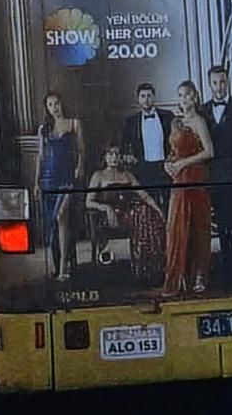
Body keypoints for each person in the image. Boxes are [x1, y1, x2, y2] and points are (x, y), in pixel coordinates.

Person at [85, 144, 167, 286]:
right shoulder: (98, 176)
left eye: (117, 154)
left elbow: (144, 195)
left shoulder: (127, 175)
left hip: (130, 213)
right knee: (142, 216)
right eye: (110, 154)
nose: (114, 158)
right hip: (110, 217)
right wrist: (106, 208)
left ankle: (152, 269)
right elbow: (88, 202)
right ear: (105, 157)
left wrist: (159, 211)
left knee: (148, 215)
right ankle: (143, 270)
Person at [163, 81, 216, 296]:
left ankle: (199, 276)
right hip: (178, 180)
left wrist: (183, 164)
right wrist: (168, 164)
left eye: (188, 95)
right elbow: (174, 152)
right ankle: (180, 276)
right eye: (181, 95)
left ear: (195, 97)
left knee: (197, 227)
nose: (184, 99)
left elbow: (209, 152)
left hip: (194, 178)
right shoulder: (176, 122)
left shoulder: (199, 121)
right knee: (177, 227)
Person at [34, 91, 84, 282]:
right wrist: (36, 182)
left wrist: (79, 168)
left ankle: (65, 267)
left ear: (62, 103)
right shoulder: (43, 129)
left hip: (66, 177)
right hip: (48, 178)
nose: (54, 107)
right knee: (53, 223)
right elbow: (40, 157)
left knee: (62, 216)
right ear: (47, 108)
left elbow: (81, 150)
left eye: (56, 103)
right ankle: (57, 265)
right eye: (50, 105)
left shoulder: (74, 123)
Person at [201, 64, 232, 272]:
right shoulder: (203, 110)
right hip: (213, 175)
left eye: (222, 82)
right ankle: (226, 264)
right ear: (210, 84)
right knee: (221, 221)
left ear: (228, 83)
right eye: (215, 83)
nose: (219, 87)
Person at [120, 83, 173, 211]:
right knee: (149, 205)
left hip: (165, 167)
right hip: (144, 169)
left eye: (149, 95)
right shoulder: (131, 121)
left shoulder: (168, 116)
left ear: (154, 97)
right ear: (138, 99)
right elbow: (124, 145)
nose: (146, 99)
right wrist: (129, 157)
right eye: (143, 96)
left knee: (169, 203)